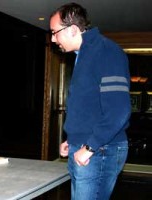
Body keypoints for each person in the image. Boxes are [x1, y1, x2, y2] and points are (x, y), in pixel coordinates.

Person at [50, 2, 131, 200]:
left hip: (100, 150)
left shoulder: (106, 52)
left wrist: (89, 147)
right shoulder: (83, 54)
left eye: (55, 32)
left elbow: (119, 110)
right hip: (88, 147)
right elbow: (90, 106)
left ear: (72, 30)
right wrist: (73, 139)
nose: (53, 39)